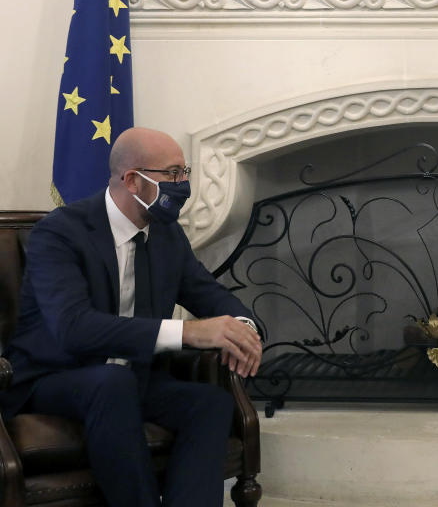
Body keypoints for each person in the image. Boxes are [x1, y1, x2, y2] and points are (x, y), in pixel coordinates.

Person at [1, 127, 263, 507]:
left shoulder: (167, 235)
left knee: (210, 404)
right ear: (132, 181)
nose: (184, 183)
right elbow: (73, 328)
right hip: (52, 375)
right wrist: (189, 333)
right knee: (113, 382)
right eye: (172, 174)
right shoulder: (60, 233)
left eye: (184, 171)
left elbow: (210, 294)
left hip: (129, 376)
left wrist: (244, 330)